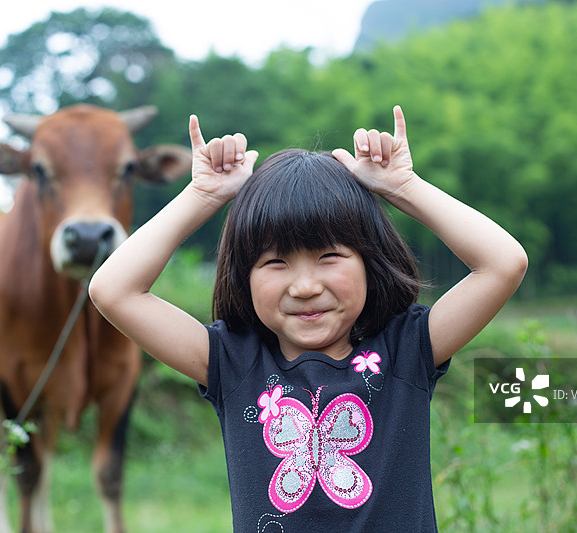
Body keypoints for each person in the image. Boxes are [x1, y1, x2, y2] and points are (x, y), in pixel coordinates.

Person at [89, 105, 528, 531]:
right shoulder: (232, 361)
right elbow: (112, 290)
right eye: (276, 262)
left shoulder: (407, 348)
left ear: (369, 262)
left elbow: (503, 263)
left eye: (330, 256)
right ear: (243, 275)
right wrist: (203, 195)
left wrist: (404, 186)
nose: (304, 286)